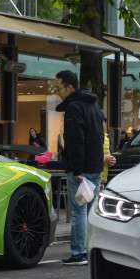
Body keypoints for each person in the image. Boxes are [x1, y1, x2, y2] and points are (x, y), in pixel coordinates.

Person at [53, 69, 104, 266]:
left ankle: (79, 253)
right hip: (96, 165)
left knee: (79, 211)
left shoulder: (74, 108)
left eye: (59, 88)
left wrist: (77, 169)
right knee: (91, 210)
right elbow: (99, 136)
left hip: (82, 168)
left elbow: (75, 141)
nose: (57, 92)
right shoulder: (94, 105)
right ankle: (91, 250)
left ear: (70, 87)